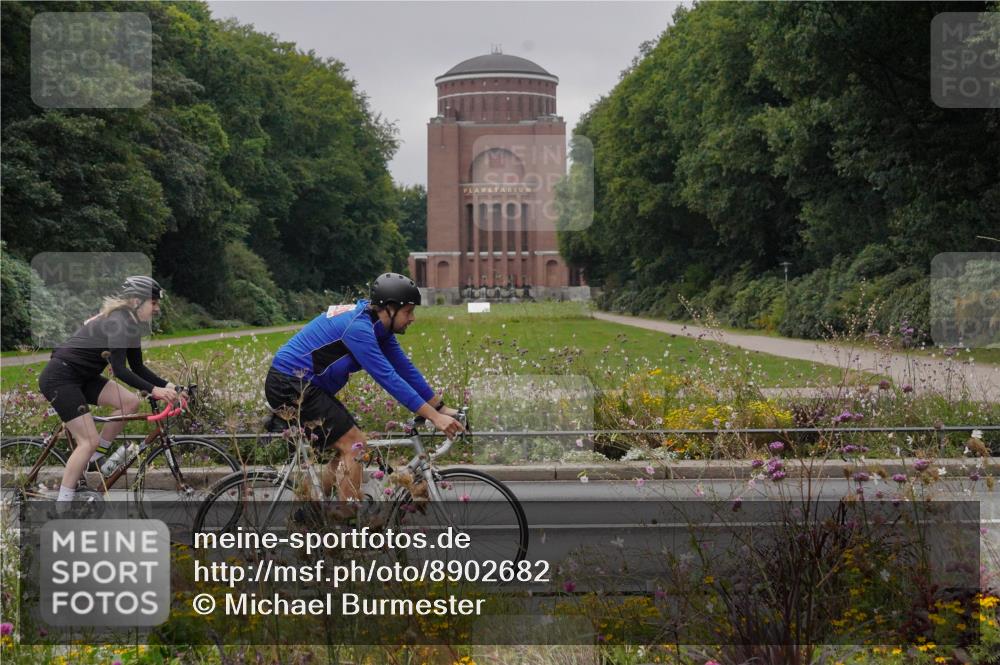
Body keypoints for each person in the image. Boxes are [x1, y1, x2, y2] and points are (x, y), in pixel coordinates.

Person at [265, 272, 463, 503]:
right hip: (290, 383)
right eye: (408, 311)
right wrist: (434, 418)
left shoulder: (379, 327)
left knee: (349, 448)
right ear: (389, 308)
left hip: (307, 385)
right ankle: (349, 525)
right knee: (354, 445)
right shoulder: (358, 329)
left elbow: (404, 368)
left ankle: (313, 507)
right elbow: (387, 377)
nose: (412, 318)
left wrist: (440, 407)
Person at [38, 276, 178, 509]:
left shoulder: (131, 325)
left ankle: (94, 458)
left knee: (130, 402)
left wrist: (170, 386)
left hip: (83, 376)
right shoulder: (119, 322)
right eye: (153, 302)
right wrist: (155, 390)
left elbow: (138, 367)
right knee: (87, 440)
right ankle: (62, 507)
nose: (157, 308)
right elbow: (120, 370)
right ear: (136, 301)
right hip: (61, 377)